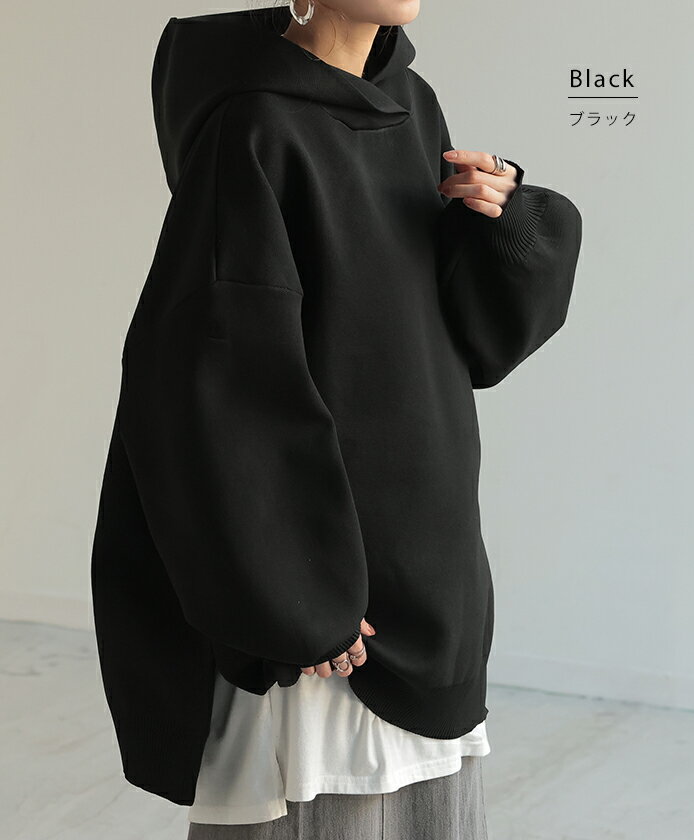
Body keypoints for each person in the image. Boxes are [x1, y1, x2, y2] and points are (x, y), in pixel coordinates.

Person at [90, 2, 583, 838]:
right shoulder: (251, 126)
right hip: (332, 593)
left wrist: (500, 222)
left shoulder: (412, 103)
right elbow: (209, 375)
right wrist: (292, 590)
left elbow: (466, 341)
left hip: (429, 557)